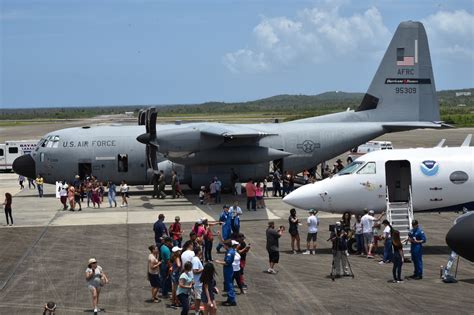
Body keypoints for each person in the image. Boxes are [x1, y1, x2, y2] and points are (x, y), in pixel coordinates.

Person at [215, 240, 237, 306]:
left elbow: (227, 263)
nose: (223, 246)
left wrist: (218, 262)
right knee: (228, 283)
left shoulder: (230, 252)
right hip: (228, 269)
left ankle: (232, 300)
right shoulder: (230, 251)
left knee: (229, 284)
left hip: (228, 269)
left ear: (227, 245)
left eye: (224, 245)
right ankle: (229, 298)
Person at [192, 246, 204, 314]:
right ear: (198, 251)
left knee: (198, 298)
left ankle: (197, 310)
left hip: (198, 281)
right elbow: (195, 271)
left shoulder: (196, 259)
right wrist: (203, 269)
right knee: (198, 298)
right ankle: (197, 312)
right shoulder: (196, 260)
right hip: (198, 282)